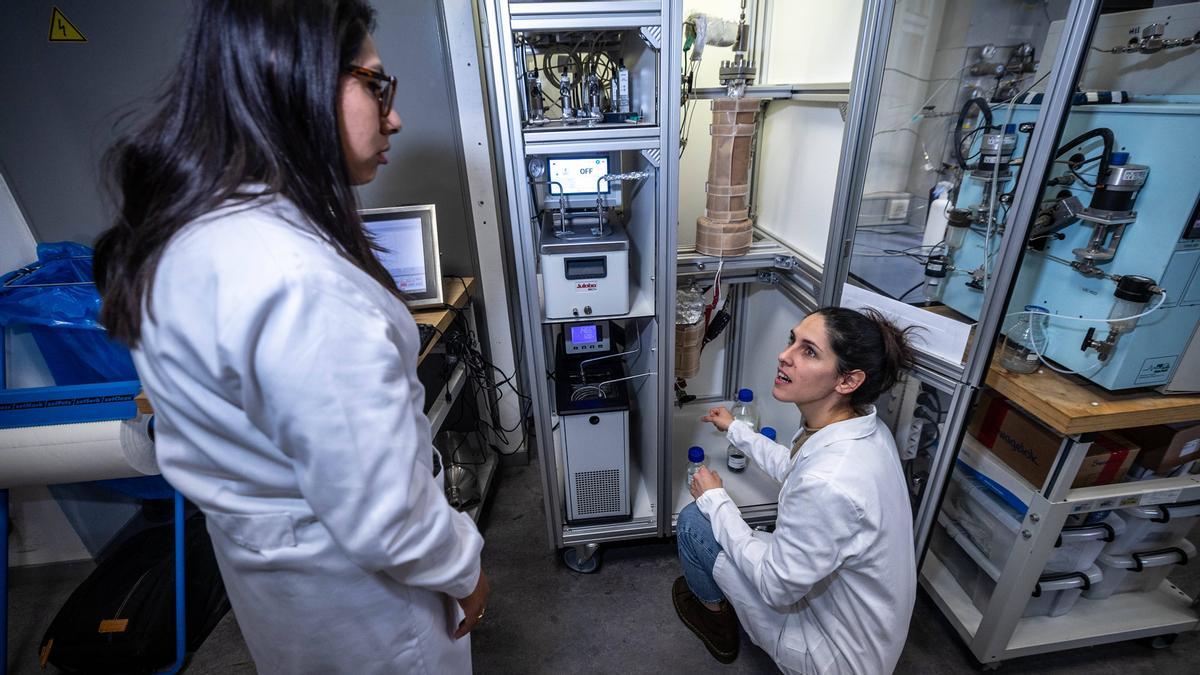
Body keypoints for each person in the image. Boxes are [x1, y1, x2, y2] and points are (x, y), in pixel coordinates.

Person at [92, 1, 487, 672]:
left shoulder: (186, 232)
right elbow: (387, 515)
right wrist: (464, 568)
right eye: (375, 84)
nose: (393, 116)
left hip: (278, 588)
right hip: (369, 611)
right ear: (295, 79)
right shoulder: (300, 281)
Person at [673, 307, 918, 674]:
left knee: (695, 520)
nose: (784, 355)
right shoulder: (861, 428)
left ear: (847, 381)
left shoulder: (829, 481)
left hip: (831, 653)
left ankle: (715, 622)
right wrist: (737, 430)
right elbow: (795, 466)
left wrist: (715, 499)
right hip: (854, 621)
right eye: (793, 340)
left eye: (809, 351)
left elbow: (775, 586)